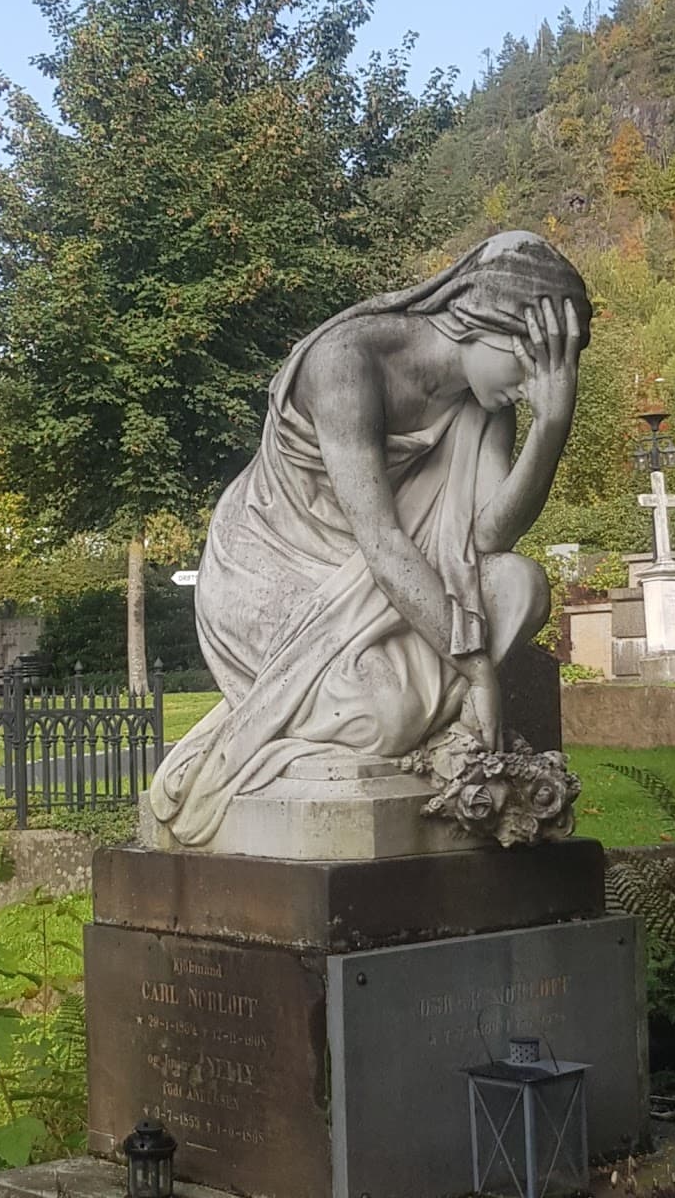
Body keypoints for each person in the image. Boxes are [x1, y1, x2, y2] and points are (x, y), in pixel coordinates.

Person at [151, 230, 592, 847]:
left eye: (558, 371)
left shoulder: (486, 404)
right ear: (486, 324)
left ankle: (414, 727)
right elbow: (383, 544)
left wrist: (553, 424)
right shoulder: (347, 362)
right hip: (275, 574)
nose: (539, 383)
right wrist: (479, 674)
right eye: (539, 362)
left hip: (402, 577)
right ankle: (320, 721)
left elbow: (490, 534)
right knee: (385, 716)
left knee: (522, 585)